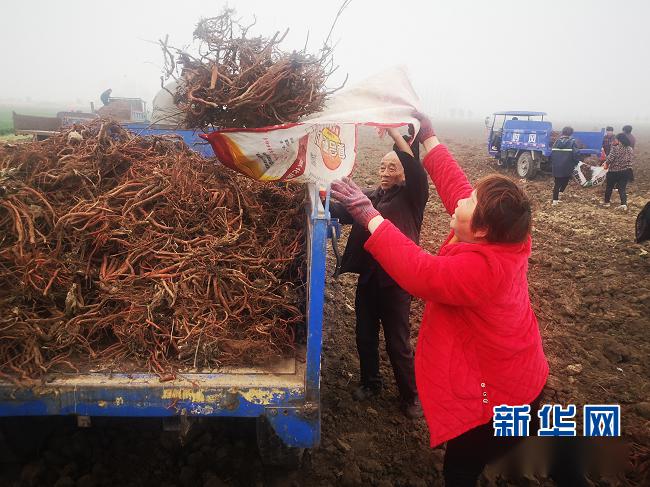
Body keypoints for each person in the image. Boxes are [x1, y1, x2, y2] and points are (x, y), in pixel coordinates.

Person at [330, 113, 551, 486]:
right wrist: (429, 135)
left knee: (461, 467)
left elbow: (422, 273)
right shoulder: (498, 237)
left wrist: (368, 215)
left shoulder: (483, 271)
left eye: (470, 203)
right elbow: (455, 183)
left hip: (499, 397)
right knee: (498, 450)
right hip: (521, 379)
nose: (461, 201)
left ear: (479, 229)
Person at [329, 127, 429, 419]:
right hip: (370, 279)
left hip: (396, 282)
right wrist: (315, 194)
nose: (385, 172)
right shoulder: (372, 196)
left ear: (404, 174)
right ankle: (370, 382)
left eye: (392, 167)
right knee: (364, 335)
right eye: (382, 167)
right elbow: (341, 211)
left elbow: (414, 166)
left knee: (398, 343)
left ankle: (410, 397)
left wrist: (396, 136)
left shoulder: (413, 197)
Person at [602, 133, 634, 210]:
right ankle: (624, 204)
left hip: (614, 171)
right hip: (626, 171)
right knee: (622, 188)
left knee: (609, 187)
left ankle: (607, 203)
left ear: (619, 140)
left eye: (616, 139)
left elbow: (610, 159)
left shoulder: (615, 148)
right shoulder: (630, 148)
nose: (614, 141)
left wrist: (606, 164)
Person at [550, 126, 580, 205]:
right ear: (570, 133)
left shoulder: (556, 142)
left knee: (557, 183)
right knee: (565, 181)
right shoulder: (572, 142)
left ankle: (555, 201)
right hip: (567, 166)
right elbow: (576, 154)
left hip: (556, 166)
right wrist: (576, 163)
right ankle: (560, 193)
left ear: (562, 132)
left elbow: (552, 154)